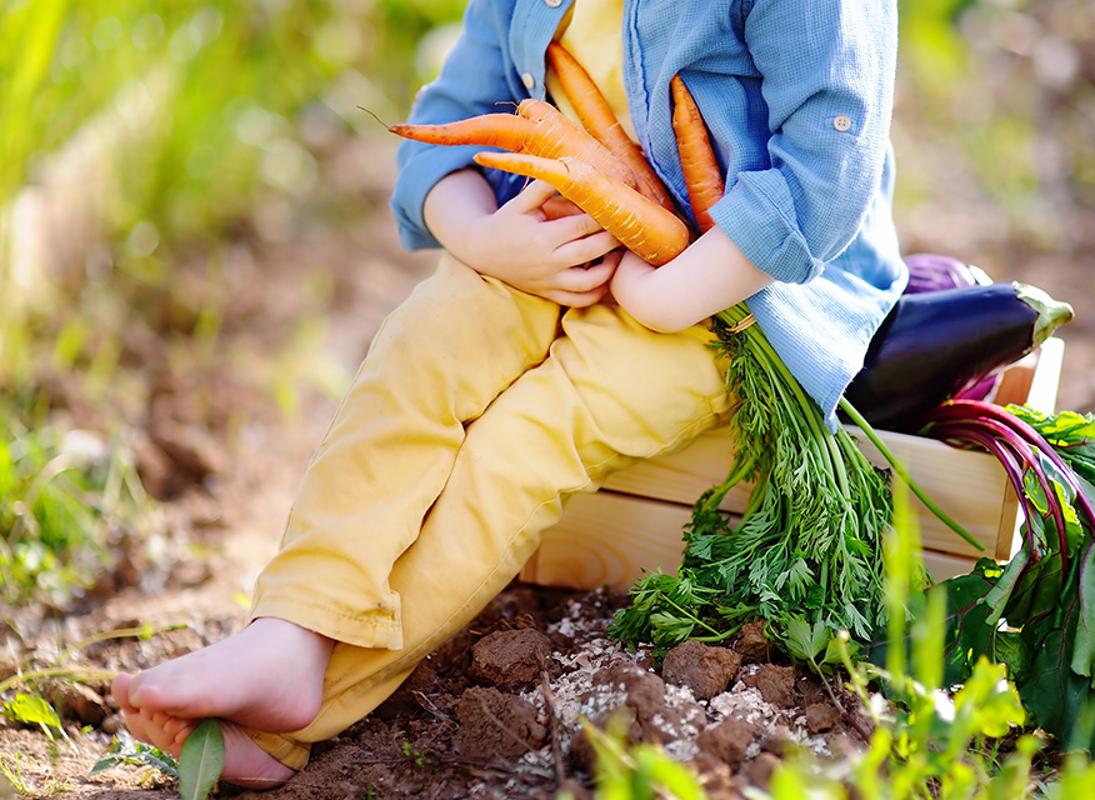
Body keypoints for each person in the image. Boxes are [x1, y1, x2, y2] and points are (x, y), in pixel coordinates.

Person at [112, 0, 907, 787]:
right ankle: (288, 631)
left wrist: (666, 294)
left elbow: (826, 165)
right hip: (543, 237)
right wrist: (484, 238)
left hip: (732, 291)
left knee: (523, 445)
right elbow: (455, 116)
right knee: (418, 356)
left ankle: (296, 714)